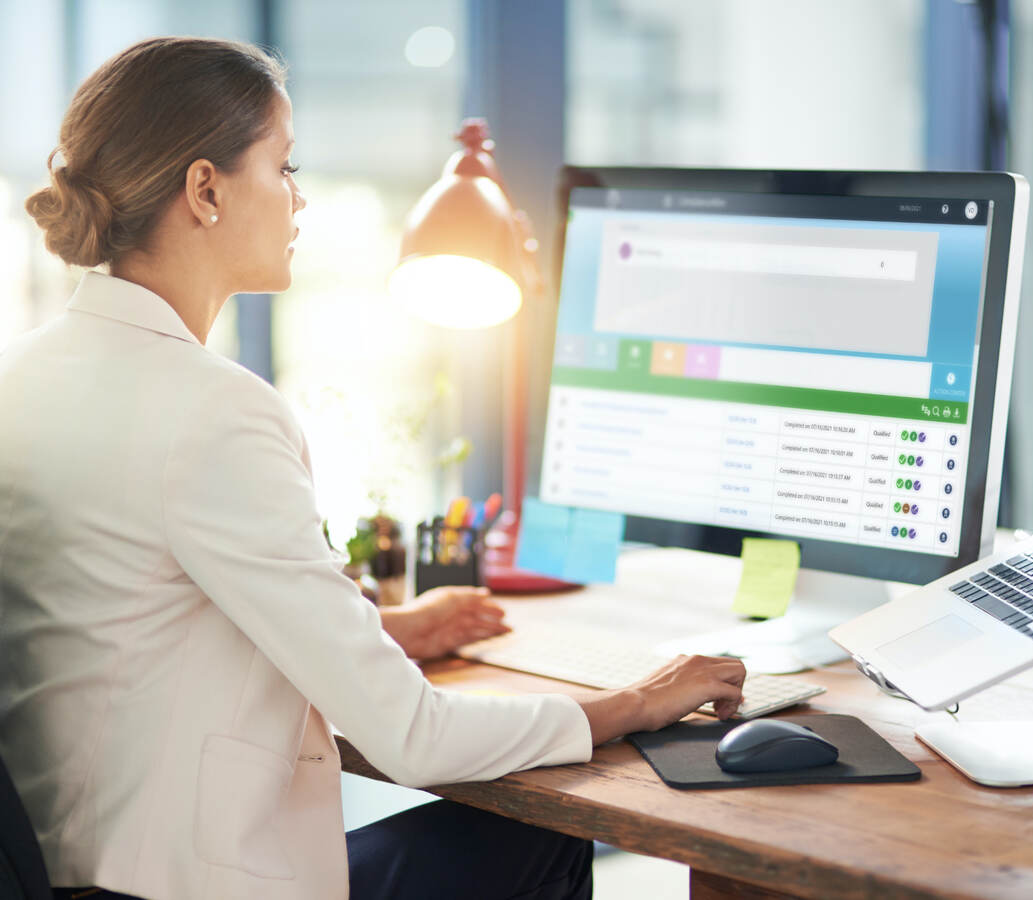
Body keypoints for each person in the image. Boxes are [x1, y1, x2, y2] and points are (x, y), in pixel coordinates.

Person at [0, 37, 745, 900]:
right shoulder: (212, 411)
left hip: (74, 868)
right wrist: (637, 703)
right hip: (184, 886)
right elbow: (413, 737)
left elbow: (135, 623)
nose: (300, 197)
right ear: (205, 190)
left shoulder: (27, 374)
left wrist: (390, 634)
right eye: (284, 166)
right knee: (535, 843)